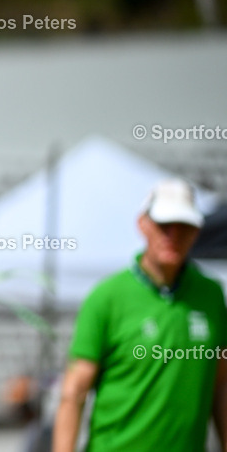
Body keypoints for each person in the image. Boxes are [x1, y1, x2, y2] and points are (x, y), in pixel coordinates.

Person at [53, 178, 227, 451]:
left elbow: (220, 386)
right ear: (143, 225)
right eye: (164, 226)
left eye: (185, 226)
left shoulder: (211, 295)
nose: (174, 235)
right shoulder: (107, 297)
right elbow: (74, 391)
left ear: (196, 231)